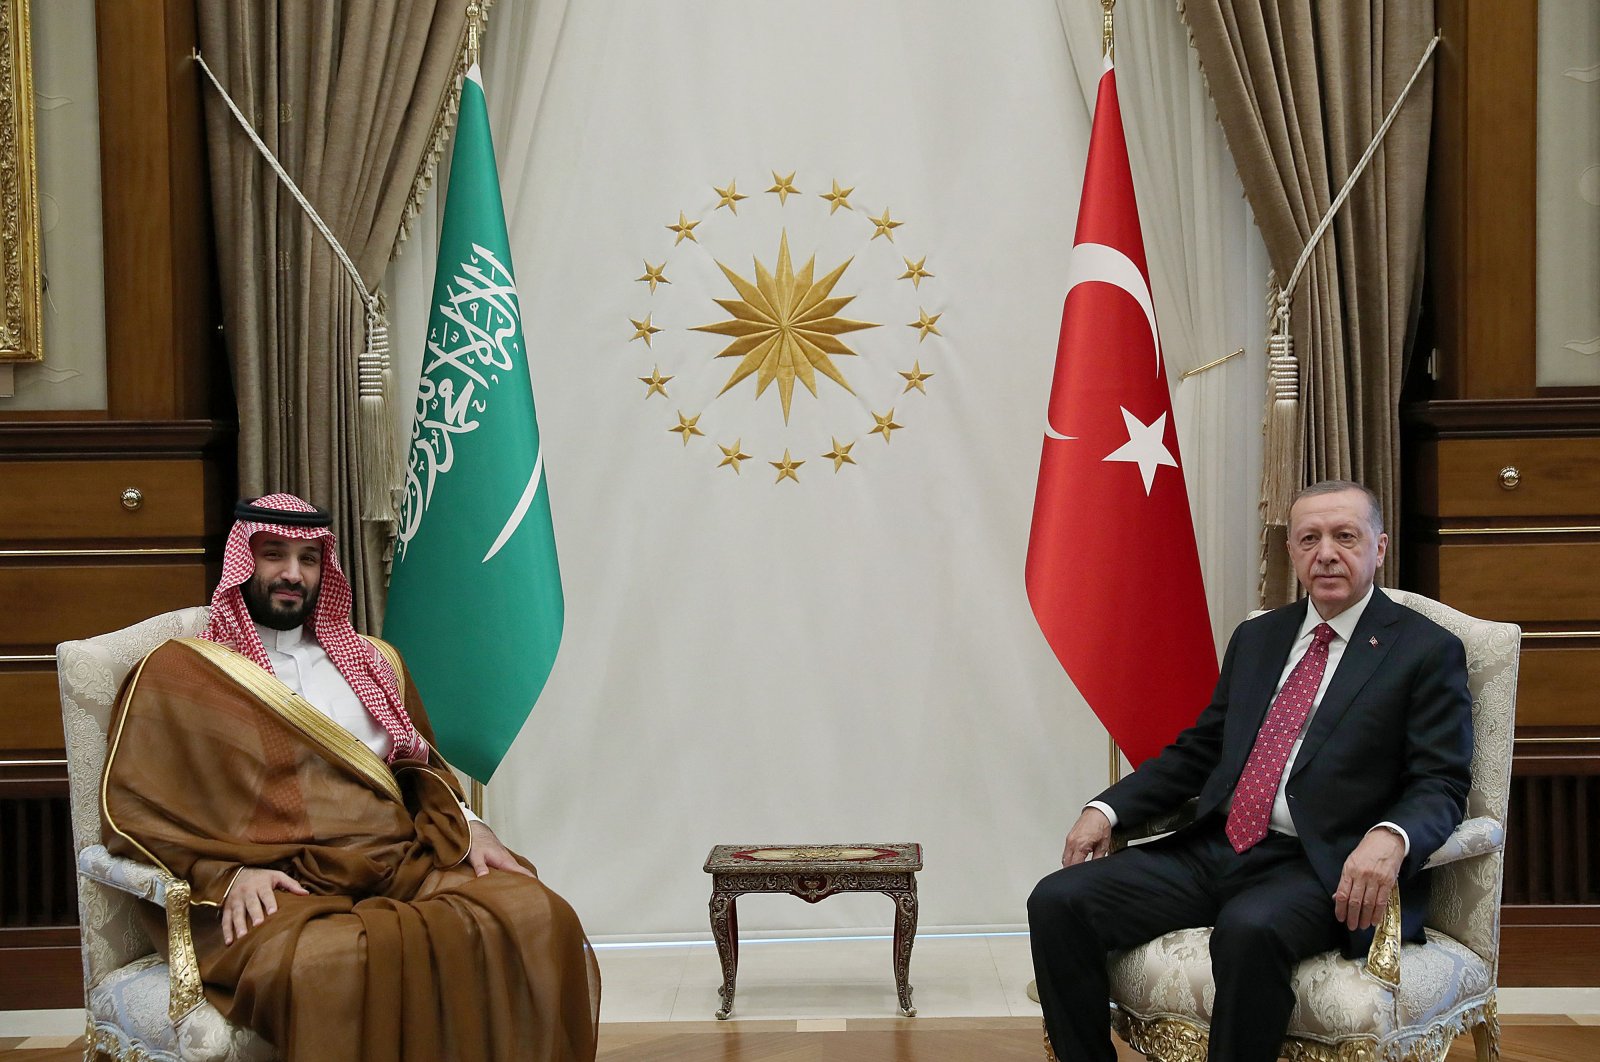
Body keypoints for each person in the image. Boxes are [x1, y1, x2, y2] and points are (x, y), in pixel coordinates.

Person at [101, 494, 599, 1062]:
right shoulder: (182, 672)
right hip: (282, 884)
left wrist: (470, 824)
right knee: (330, 965)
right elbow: (137, 808)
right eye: (275, 554)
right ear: (242, 560)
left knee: (538, 915)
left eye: (309, 558)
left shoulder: (370, 662)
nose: (293, 573)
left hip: (400, 859)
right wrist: (228, 872)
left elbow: (419, 769)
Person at [1027, 480, 1473, 1062]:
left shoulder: (1424, 649)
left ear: (1379, 547)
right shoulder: (1259, 637)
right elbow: (1202, 749)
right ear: (1293, 551)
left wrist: (1391, 836)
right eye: (1309, 539)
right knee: (1057, 901)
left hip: (1322, 863)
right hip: (1218, 845)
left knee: (1249, 929)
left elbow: (1441, 781)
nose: (1327, 553)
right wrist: (1106, 807)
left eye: (1346, 536)